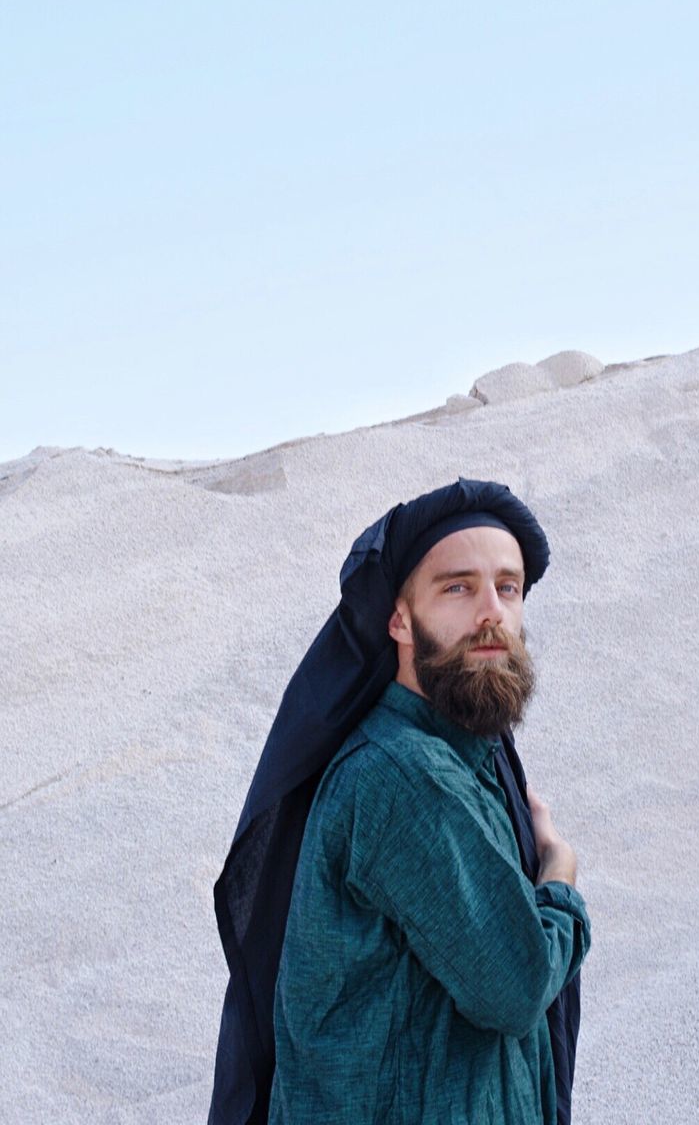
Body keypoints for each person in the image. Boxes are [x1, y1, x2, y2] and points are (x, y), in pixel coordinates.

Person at [209, 479, 590, 1125]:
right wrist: (558, 877)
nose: (491, 611)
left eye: (507, 587)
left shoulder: (467, 759)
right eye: (457, 587)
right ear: (397, 619)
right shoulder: (405, 774)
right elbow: (515, 988)